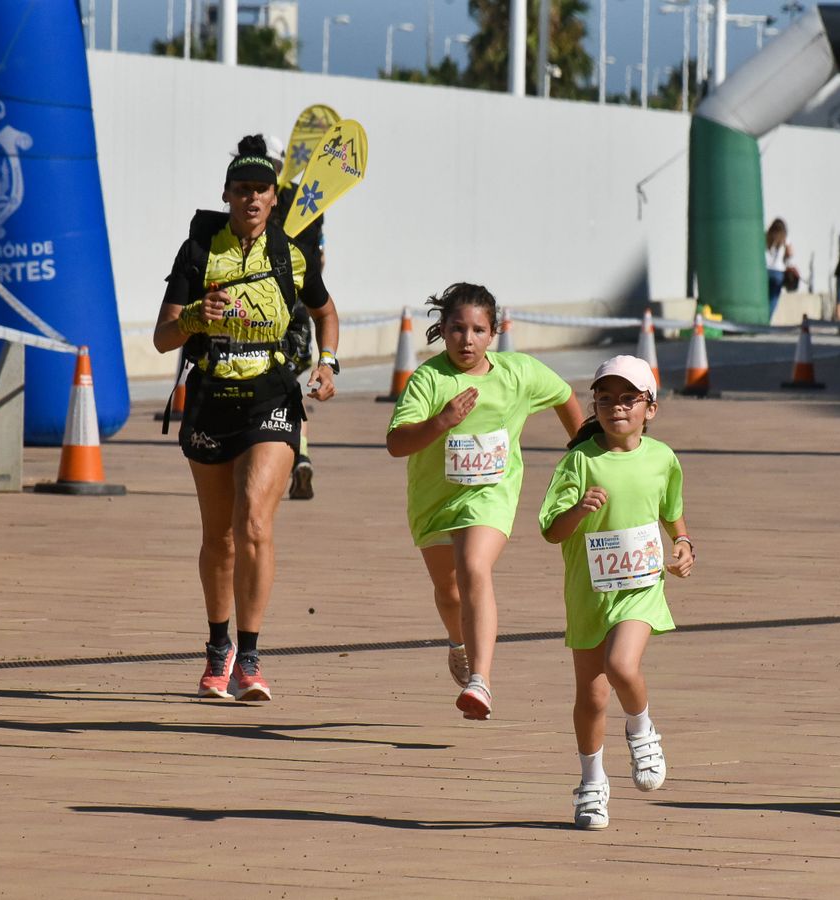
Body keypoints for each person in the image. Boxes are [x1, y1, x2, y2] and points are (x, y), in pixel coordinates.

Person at [153, 135, 341, 702]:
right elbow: (163, 338)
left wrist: (328, 363)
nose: (251, 198)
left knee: (254, 523)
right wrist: (194, 317)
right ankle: (219, 649)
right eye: (242, 189)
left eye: (261, 190)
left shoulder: (290, 253)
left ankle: (251, 658)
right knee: (220, 536)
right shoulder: (197, 251)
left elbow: (326, 311)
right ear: (227, 194)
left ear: (274, 198)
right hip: (212, 398)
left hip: (272, 397)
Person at [386, 283, 583, 721]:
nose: (467, 340)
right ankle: (457, 642)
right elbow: (397, 443)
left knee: (474, 566)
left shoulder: (518, 373)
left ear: (493, 333)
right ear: (442, 329)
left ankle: (481, 680)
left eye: (478, 330)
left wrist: (584, 452)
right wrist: (442, 421)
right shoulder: (429, 379)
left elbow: (565, 396)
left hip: (490, 496)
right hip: (435, 501)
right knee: (449, 592)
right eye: (458, 329)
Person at [539, 355, 694, 830]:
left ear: (651, 408)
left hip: (640, 588)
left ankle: (642, 729)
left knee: (622, 665)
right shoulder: (579, 461)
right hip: (589, 591)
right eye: (605, 399)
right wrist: (579, 510)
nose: (616, 408)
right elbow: (551, 530)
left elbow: (670, 510)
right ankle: (592, 783)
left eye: (629, 398)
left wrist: (683, 544)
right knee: (591, 697)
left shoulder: (662, 458)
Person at [275, 178, 327, 500]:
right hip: (299, 311)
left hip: (267, 313)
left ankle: (286, 458)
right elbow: (321, 259)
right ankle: (302, 454)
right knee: (291, 388)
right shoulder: (308, 200)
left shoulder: (249, 206)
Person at [765, 218, 796, 322]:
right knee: (773, 299)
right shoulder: (785, 238)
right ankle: (767, 320)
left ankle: (762, 318)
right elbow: (790, 253)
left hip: (765, 270)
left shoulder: (767, 236)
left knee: (765, 297)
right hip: (778, 272)